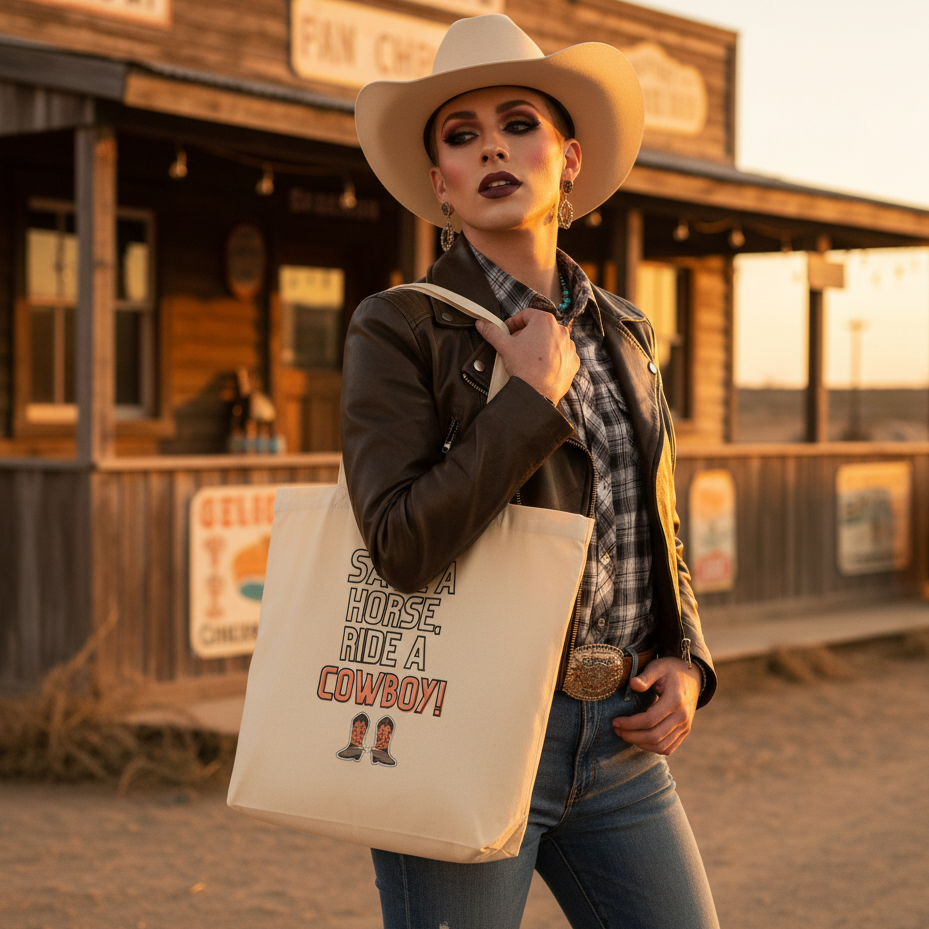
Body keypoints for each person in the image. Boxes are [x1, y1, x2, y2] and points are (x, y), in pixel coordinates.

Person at [343, 13, 719, 928]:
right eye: (461, 138)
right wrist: (530, 399)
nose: (492, 151)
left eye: (519, 124)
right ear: (439, 183)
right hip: (464, 731)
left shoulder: (624, 329)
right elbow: (399, 543)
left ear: (571, 157)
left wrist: (687, 657)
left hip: (621, 739)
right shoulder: (398, 327)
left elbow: (651, 521)